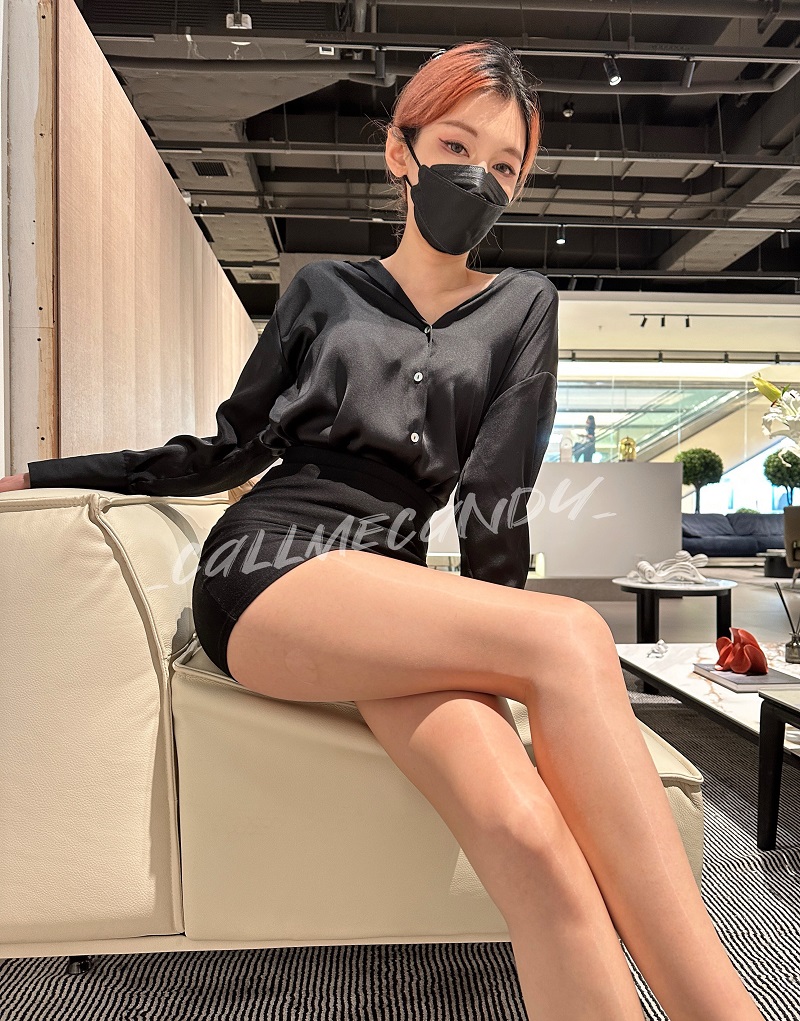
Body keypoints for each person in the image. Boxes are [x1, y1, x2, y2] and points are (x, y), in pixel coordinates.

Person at [1, 39, 765, 1021]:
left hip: (388, 596)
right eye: (456, 147)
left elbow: (494, 494)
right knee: (571, 632)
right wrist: (45, 474)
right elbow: (225, 450)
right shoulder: (322, 289)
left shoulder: (520, 307)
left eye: (505, 167)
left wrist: (506, 659)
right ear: (400, 151)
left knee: (530, 840)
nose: (478, 179)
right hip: (271, 569)